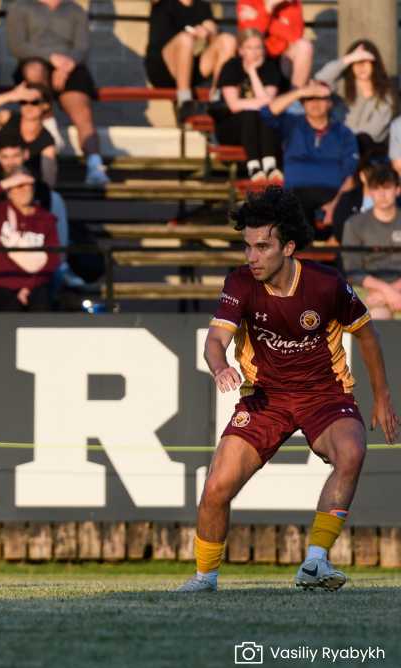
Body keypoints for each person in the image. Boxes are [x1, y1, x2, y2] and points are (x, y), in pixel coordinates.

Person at [176, 186, 398, 593]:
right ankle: (204, 578)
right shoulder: (240, 284)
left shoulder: (325, 284)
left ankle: (315, 561)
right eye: (247, 247)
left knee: (352, 452)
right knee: (215, 488)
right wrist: (221, 365)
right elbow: (213, 341)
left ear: (289, 246)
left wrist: (382, 397)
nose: (252, 257)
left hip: (324, 394)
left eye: (262, 247)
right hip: (266, 398)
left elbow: (368, 336)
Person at [6, 0, 108, 185]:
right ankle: (49, 130)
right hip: (35, 63)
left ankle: (95, 164)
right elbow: (17, 46)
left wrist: (66, 66)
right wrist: (51, 58)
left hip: (70, 67)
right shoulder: (20, 7)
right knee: (34, 71)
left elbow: (82, 47)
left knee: (81, 109)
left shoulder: (75, 10)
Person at [263, 81, 358, 239]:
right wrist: (300, 92)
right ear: (303, 103)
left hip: (333, 193)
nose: (315, 103)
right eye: (310, 98)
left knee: (348, 208)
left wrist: (336, 204)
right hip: (297, 192)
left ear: (329, 103)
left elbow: (351, 175)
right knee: (293, 213)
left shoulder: (344, 133)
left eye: (320, 98)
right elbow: (267, 112)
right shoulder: (292, 124)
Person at [0, 170, 60, 311]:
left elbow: (53, 258)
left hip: (35, 287)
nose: (24, 190)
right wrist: (4, 183)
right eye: (18, 186)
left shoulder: (46, 218)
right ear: (8, 191)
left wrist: (29, 286)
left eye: (27, 185)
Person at [145, 0, 237, 118]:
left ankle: (217, 98)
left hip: (189, 69)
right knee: (185, 39)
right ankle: (184, 100)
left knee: (228, 40)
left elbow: (212, 31)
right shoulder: (162, 3)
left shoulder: (202, 6)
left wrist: (208, 32)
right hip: (162, 68)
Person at [215, 28, 284, 181]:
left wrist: (252, 72)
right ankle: (254, 166)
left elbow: (269, 105)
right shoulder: (231, 67)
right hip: (232, 127)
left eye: (258, 47)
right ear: (240, 51)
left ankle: (269, 166)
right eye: (249, 48)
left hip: (262, 129)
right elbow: (233, 105)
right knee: (250, 114)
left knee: (264, 114)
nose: (255, 52)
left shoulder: (270, 68)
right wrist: (258, 103)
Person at [314, 40, 398, 159]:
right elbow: (320, 79)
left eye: (365, 61)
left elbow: (374, 132)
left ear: (375, 64)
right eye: (356, 62)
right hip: (335, 147)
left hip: (369, 153)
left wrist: (347, 137)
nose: (361, 66)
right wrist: (348, 59)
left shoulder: (385, 94)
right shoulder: (340, 86)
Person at [0, 81, 59, 185]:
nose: (28, 106)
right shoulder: (9, 118)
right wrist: (11, 96)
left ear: (46, 105)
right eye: (23, 102)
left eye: (34, 102)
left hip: (20, 190)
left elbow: (48, 182)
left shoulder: (46, 141)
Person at [342, 165, 401, 320]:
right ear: (370, 191)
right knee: (376, 317)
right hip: (367, 291)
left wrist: (391, 292)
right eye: (376, 188)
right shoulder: (354, 224)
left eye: (387, 188)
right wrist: (387, 292)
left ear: (397, 189)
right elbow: (352, 270)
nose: (381, 194)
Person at [236, 0, 312, 90]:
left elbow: (295, 35)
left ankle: (295, 99)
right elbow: (250, 35)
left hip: (282, 57)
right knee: (251, 46)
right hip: (255, 55)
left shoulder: (292, 2)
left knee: (304, 46)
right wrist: (269, 6)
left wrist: (261, 16)